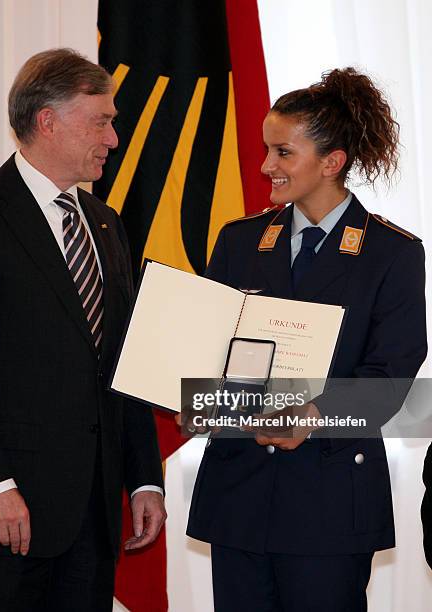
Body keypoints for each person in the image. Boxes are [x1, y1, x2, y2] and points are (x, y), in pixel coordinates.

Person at [186, 67, 427, 611]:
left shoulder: (391, 253)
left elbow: (391, 378)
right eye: (266, 150)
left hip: (329, 499)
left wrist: (313, 415)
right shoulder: (240, 240)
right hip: (240, 496)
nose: (266, 165)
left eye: (282, 153)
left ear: (331, 162)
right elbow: (209, 354)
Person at [0, 48, 166, 611]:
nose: (113, 138)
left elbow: (123, 362)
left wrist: (144, 480)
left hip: (90, 522)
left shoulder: (107, 224)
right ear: (48, 121)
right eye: (102, 121)